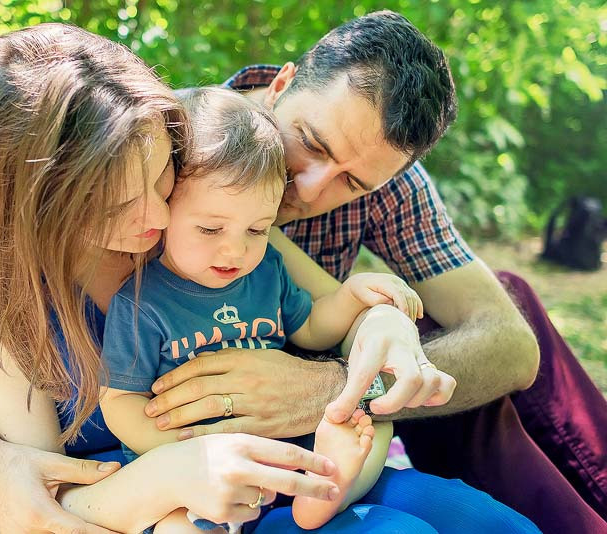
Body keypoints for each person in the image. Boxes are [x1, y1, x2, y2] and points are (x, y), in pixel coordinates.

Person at [0, 19, 542, 534]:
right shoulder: (13, 290)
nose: (157, 213)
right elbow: (43, 497)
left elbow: (328, 308)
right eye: (117, 203)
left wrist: (383, 324)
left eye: (162, 180)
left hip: (291, 468)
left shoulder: (211, 219)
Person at [98, 87, 449, 532]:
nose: (236, 248)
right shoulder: (143, 303)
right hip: (194, 470)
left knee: (374, 423)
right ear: (165, 208)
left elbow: (311, 331)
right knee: (175, 528)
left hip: (281, 446)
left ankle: (326, 491)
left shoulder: (266, 270)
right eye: (210, 228)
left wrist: (353, 296)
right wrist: (180, 452)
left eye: (258, 229)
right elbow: (120, 401)